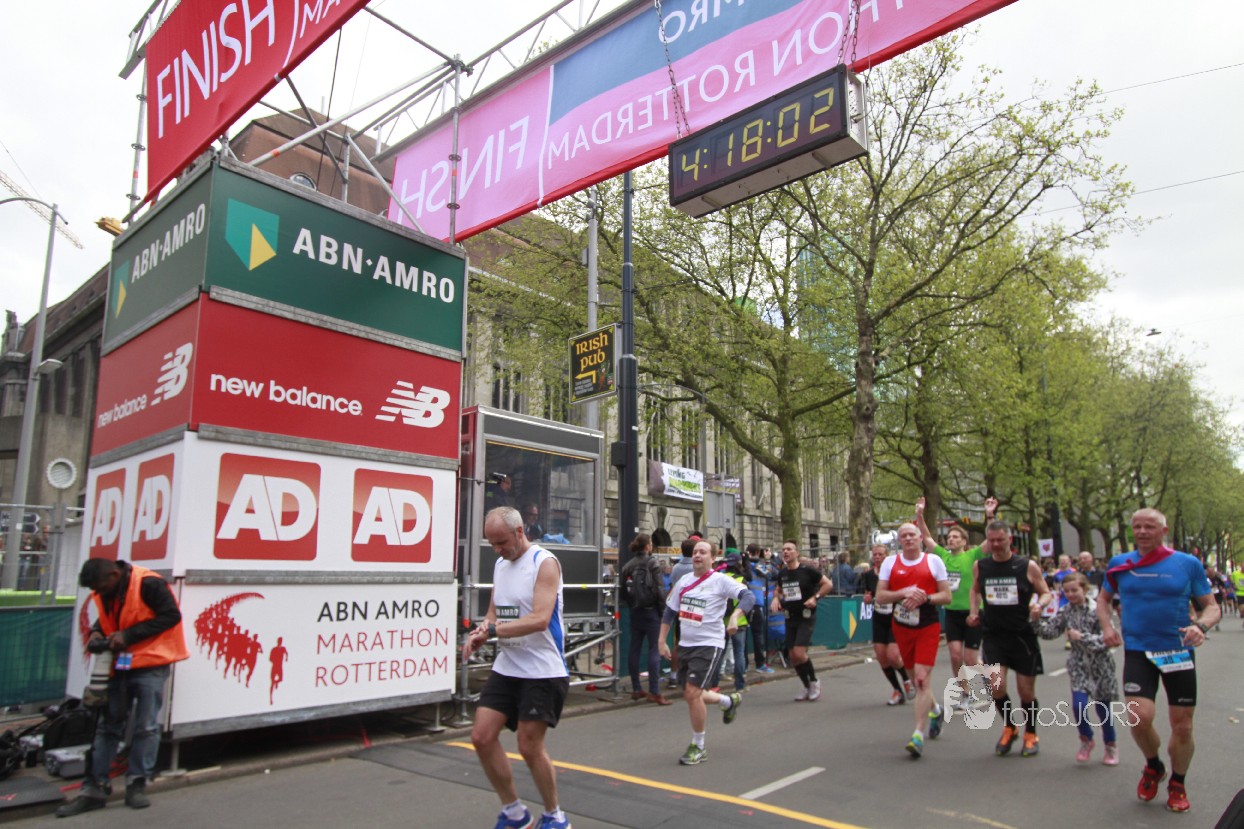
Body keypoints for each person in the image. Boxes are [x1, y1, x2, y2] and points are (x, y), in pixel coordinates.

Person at [1096, 508, 1219, 814]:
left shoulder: (1187, 564)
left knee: (1183, 726)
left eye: (1149, 527)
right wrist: (1107, 627)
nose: (1142, 532)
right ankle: (1153, 766)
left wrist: (1200, 626)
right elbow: (1103, 599)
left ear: (1163, 531)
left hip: (1177, 650)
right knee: (1138, 717)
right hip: (1138, 650)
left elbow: (1212, 606)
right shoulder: (1119, 563)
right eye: (1137, 527)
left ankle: (1178, 782)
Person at [462, 507, 572, 829]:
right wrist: (483, 630)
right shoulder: (500, 564)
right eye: (492, 544)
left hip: (542, 670)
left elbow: (540, 619)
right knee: (481, 737)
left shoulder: (544, 563)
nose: (497, 550)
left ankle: (555, 816)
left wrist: (495, 631)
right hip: (508, 665)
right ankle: (514, 813)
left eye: (502, 542)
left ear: (520, 532)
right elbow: (494, 613)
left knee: (528, 745)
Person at [56, 558, 190, 816]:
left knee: (146, 726)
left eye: (101, 587)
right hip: (121, 664)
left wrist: (128, 636)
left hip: (150, 662)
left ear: (115, 575)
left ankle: (136, 784)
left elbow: (171, 616)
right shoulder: (107, 589)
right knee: (108, 726)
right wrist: (96, 633)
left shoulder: (148, 583)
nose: (99, 592)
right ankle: (94, 789)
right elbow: (111, 618)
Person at [658, 540, 754, 765]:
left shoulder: (720, 580)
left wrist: (735, 616)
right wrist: (662, 640)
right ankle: (728, 701)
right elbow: (670, 612)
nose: (697, 555)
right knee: (691, 693)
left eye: (703, 552)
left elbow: (748, 597)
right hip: (686, 644)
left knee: (693, 693)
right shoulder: (683, 581)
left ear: (713, 557)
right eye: (695, 552)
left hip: (709, 644)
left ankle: (699, 746)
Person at [968, 519, 1052, 758]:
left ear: (1009, 540)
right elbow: (974, 590)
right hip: (994, 635)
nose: (996, 544)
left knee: (1026, 692)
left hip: (1022, 636)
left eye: (1000, 540)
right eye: (992, 540)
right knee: (996, 685)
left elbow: (1045, 592)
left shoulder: (1027, 566)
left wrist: (1039, 605)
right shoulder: (981, 566)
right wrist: (973, 612)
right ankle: (1010, 727)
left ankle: (1030, 733)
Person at [875, 523, 952, 758]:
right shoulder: (890, 563)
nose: (908, 538)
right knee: (916, 680)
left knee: (920, 679)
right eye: (904, 536)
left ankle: (917, 735)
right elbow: (880, 596)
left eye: (912, 535)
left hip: (927, 626)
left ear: (920, 538)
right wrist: (904, 592)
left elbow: (946, 596)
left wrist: (925, 598)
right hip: (902, 626)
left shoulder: (933, 561)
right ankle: (936, 710)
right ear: (899, 541)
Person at [916, 496, 996, 710]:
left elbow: (990, 540)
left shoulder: (972, 555)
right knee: (954, 655)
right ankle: (966, 692)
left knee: (970, 659)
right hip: (951, 613)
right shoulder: (943, 556)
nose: (950, 539)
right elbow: (926, 537)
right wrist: (919, 515)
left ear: (963, 541)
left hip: (972, 613)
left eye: (955, 537)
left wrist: (989, 516)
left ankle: (985, 677)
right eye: (949, 537)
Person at [1037, 572, 1120, 765]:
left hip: (1101, 666)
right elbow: (1050, 632)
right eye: (1067, 591)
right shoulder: (1066, 611)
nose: (1071, 594)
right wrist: (1035, 620)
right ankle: (1086, 739)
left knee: (1103, 709)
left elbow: (1110, 640)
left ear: (1085, 589)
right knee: (1078, 706)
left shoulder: (1097, 610)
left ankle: (1111, 745)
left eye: (1074, 590)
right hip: (1078, 666)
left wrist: (1082, 637)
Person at [770, 540, 832, 702]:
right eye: (783, 549)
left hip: (806, 616)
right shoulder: (783, 573)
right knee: (792, 656)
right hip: (790, 617)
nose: (785, 552)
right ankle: (806, 686)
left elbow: (828, 584)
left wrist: (815, 597)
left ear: (797, 553)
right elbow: (778, 590)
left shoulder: (807, 571)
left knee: (799, 653)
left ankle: (814, 682)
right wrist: (776, 599)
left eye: (789, 549)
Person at [619, 533, 671, 705]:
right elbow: (658, 589)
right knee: (655, 648)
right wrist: (663, 611)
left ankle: (636, 688)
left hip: (635, 611)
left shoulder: (627, 566)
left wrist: (633, 604)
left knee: (634, 648)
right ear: (648, 546)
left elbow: (623, 592)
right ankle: (654, 691)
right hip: (651, 611)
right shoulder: (652, 563)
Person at [860, 543, 915, 705]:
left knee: (893, 655)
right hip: (879, 617)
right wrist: (867, 598)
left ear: (887, 556)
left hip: (894, 617)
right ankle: (897, 690)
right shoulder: (868, 575)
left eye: (881, 555)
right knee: (882, 657)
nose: (877, 558)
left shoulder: (894, 573)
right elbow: (869, 594)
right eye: (875, 555)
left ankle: (906, 679)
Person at [745, 543, 776, 674]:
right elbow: (771, 574)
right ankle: (760, 664)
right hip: (756, 602)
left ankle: (744, 665)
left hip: (743, 603)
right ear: (758, 552)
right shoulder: (758, 565)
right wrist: (768, 559)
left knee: (743, 635)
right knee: (758, 634)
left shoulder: (744, 564)